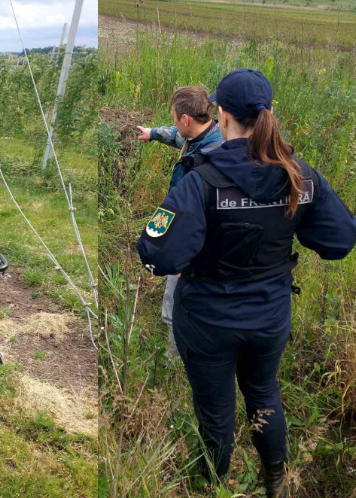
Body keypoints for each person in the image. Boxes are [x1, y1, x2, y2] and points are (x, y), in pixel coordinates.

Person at [137, 68, 356, 496]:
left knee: (216, 412)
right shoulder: (301, 176)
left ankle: (212, 485)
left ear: (221, 115)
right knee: (263, 393)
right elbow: (339, 241)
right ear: (269, 112)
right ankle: (275, 480)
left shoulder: (201, 179)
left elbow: (157, 254)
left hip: (208, 321)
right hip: (269, 317)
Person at [136, 86, 223, 359]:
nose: (173, 122)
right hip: (194, 235)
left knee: (177, 304)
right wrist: (153, 133)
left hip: (194, 239)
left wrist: (186, 258)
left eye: (174, 117)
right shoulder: (207, 133)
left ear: (186, 119)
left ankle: (175, 361)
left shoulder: (211, 157)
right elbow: (178, 136)